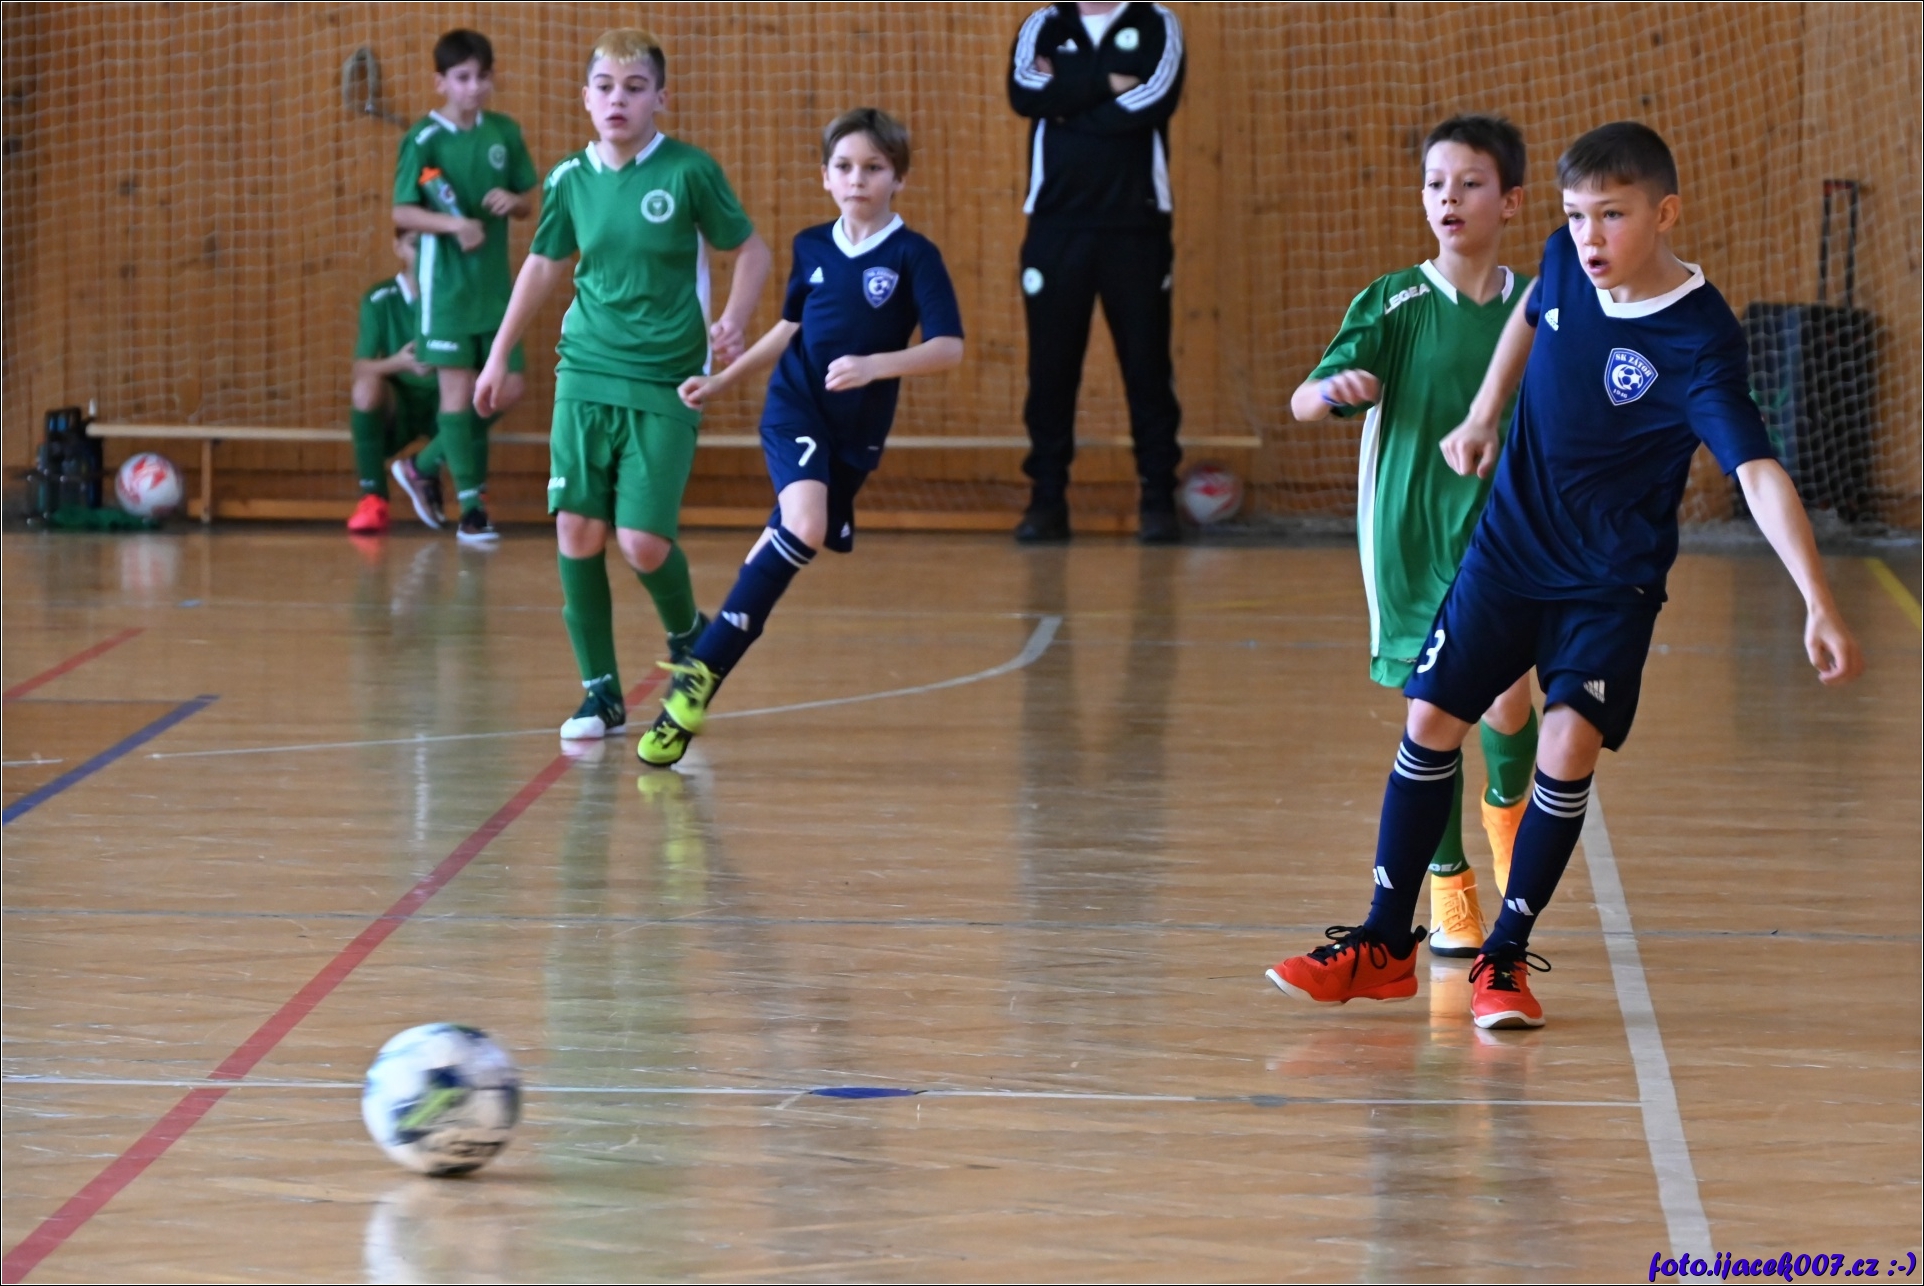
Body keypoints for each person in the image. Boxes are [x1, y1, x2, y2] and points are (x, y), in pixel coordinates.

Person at [1267, 122, 1862, 1029]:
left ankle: (1503, 957)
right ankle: (1385, 945)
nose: (1588, 236)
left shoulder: (1701, 337)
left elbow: (1755, 471)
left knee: (1567, 743)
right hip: (1509, 551)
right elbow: (1532, 311)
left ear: (1665, 214)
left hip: (1609, 579)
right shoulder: (1562, 262)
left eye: (1611, 215)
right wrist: (1484, 412)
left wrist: (1817, 598)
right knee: (1429, 720)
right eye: (1576, 214)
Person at [636, 107, 965, 768]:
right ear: (825, 176)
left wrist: (875, 366)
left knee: (776, 552)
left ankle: (693, 689)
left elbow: (948, 348)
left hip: (856, 433)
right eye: (844, 166)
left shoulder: (913, 255)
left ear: (898, 177)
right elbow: (789, 329)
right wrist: (723, 378)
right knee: (806, 526)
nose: (857, 179)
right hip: (796, 408)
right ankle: (700, 671)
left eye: (873, 167)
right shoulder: (812, 245)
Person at [473, 28, 772, 741]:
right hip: (585, 368)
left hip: (668, 376)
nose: (619, 100)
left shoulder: (689, 171)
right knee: (576, 526)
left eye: (635, 88)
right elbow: (544, 265)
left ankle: (690, 638)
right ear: (585, 98)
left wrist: (732, 320)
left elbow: (751, 251)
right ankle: (600, 694)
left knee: (641, 542)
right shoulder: (568, 180)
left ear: (659, 99)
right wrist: (498, 354)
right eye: (605, 87)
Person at [1289, 116, 1540, 959]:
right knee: (1433, 713)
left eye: (1470, 183)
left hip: (1508, 534)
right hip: (1407, 535)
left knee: (1509, 698)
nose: (1448, 198)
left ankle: (1508, 811)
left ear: (1510, 201)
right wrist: (1335, 389)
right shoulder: (1394, 301)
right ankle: (1449, 884)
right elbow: (1304, 399)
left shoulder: (1537, 308)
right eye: (1436, 184)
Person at [1006, 1, 1186, 544]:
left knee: (1147, 367)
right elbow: (1024, 94)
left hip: (1136, 229)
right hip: (1055, 229)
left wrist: (1066, 99)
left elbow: (1154, 98)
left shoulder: (1156, 23)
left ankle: (1158, 499)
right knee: (1050, 370)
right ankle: (1046, 500)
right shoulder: (1044, 24)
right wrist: (1108, 84)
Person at [392, 27, 537, 545]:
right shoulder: (423, 140)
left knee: (508, 387)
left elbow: (527, 200)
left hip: (495, 289)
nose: (473, 86)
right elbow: (402, 211)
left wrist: (512, 203)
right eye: (462, 77)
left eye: (481, 76)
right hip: (446, 290)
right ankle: (473, 508)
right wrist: (454, 225)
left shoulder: (503, 132)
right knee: (457, 393)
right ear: (441, 82)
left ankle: (423, 463)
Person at [346, 228, 448, 535]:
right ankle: (373, 498)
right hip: (399, 404)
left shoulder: (454, 294)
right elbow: (361, 367)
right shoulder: (379, 298)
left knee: (484, 389)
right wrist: (401, 363)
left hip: (445, 399)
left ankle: (472, 498)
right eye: (416, 245)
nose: (425, 253)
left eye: (433, 245)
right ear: (398, 247)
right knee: (365, 387)